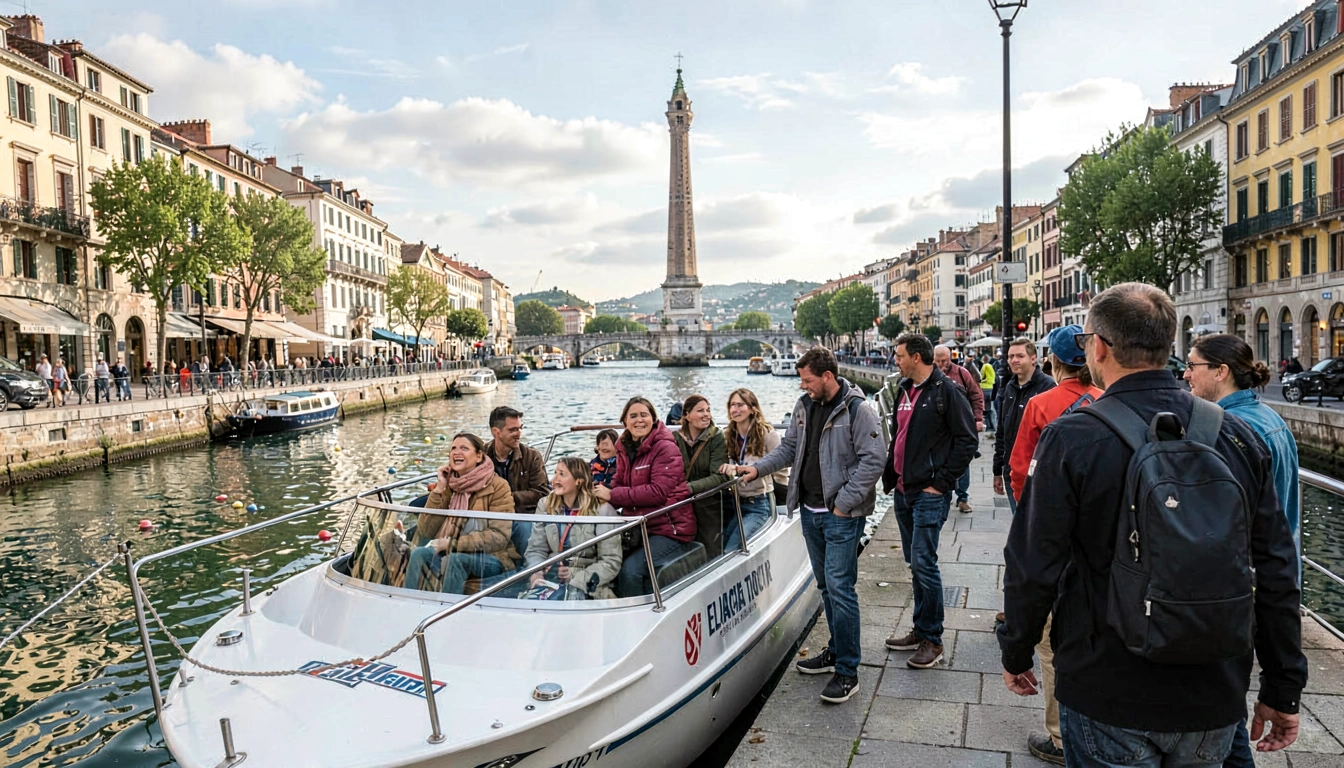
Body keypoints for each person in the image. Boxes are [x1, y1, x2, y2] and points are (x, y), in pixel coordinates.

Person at [998, 283, 1307, 768]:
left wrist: (1016, 649)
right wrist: (1283, 686)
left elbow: (1033, 561)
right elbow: (1275, 568)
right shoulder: (1238, 437)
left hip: (1106, 682)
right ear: (1166, 345)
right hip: (1213, 685)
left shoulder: (1073, 438)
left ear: (1099, 346)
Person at [733, 346, 885, 704]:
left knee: (841, 587)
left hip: (841, 516)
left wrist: (844, 504)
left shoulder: (859, 410)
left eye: (808, 380)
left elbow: (874, 459)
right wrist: (758, 469)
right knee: (826, 586)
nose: (803, 386)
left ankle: (848, 672)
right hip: (811, 511)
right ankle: (835, 650)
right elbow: (789, 449)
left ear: (828, 376)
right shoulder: (804, 407)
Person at [1185, 334, 1303, 768]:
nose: (1186, 373)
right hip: (1269, 573)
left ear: (1220, 371)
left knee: (1223, 700)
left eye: (1194, 365)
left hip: (1241, 580)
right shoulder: (1269, 418)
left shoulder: (1231, 430)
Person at [997, 325, 1104, 765]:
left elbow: (1019, 472)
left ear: (1053, 363)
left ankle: (1062, 737)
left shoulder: (1041, 404)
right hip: (1100, 540)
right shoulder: (1104, 401)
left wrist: (1032, 526)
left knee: (1049, 642)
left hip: (1053, 534)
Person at [882, 334, 977, 671]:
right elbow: (900, 435)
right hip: (904, 490)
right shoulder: (904, 390)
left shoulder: (946, 392)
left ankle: (933, 639)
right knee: (914, 562)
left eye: (899, 354)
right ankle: (920, 629)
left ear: (917, 357)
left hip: (928, 493)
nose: (895, 359)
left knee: (924, 562)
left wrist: (941, 483)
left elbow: (967, 440)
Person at [593, 397, 695, 597]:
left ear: (653, 419)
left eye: (644, 415)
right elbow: (619, 481)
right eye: (633, 416)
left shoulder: (665, 448)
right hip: (639, 525)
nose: (639, 420)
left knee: (631, 570)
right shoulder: (625, 447)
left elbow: (658, 492)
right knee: (604, 560)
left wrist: (612, 494)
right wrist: (599, 493)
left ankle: (637, 616)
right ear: (625, 422)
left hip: (670, 528)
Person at [404, 433, 518, 594]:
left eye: (464, 448)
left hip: (492, 557)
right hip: (449, 551)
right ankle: (409, 604)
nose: (456, 452)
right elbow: (425, 530)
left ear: (479, 456)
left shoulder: (499, 487)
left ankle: (445, 612)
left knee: (455, 560)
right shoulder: (450, 484)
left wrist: (454, 544)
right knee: (419, 554)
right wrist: (439, 489)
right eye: (453, 449)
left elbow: (499, 536)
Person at [522, 456, 623, 600]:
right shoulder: (545, 505)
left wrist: (576, 577)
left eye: (561, 474)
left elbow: (610, 561)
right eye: (555, 473)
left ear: (579, 481)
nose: (553, 480)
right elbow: (536, 549)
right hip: (550, 577)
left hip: (588, 584)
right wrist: (537, 575)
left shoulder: (602, 510)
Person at [717, 388, 788, 552]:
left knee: (732, 549)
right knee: (719, 549)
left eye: (740, 405)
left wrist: (781, 501)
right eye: (732, 405)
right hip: (736, 502)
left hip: (759, 503)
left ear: (752, 408)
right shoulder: (728, 435)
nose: (735, 409)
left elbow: (782, 466)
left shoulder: (767, 433)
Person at [992, 338, 1055, 515]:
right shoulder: (1010, 387)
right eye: (1010, 356)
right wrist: (998, 469)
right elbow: (1002, 431)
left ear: (1033, 358)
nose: (1014, 360)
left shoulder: (1047, 387)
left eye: (1020, 356)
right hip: (1011, 471)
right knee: (1019, 525)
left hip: (1036, 473)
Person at [674, 394, 731, 557]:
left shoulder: (716, 437)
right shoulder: (675, 438)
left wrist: (689, 487)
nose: (706, 414)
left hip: (709, 504)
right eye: (700, 411)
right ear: (686, 415)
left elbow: (720, 476)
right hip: (682, 504)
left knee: (710, 548)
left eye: (708, 410)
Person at [933, 344, 984, 514]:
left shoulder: (962, 373)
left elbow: (976, 395)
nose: (941, 364)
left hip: (962, 424)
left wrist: (978, 419)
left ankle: (962, 498)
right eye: (938, 361)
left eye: (944, 360)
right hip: (940, 429)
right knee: (942, 460)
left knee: (963, 460)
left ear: (951, 358)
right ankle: (944, 494)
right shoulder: (929, 375)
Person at [980, 354, 997, 432]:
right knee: (989, 408)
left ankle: (988, 426)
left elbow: (982, 376)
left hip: (984, 387)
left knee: (985, 409)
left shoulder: (985, 366)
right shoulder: (990, 366)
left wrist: (981, 381)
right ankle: (991, 426)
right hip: (990, 387)